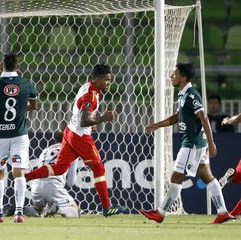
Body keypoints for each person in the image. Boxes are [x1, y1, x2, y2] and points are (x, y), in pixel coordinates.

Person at [25, 64, 126, 217]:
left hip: (70, 132)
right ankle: (107, 208)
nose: (109, 83)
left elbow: (82, 114)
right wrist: (102, 118)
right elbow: (84, 121)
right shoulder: (90, 96)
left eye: (110, 80)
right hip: (80, 136)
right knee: (99, 169)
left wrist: (93, 118)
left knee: (59, 168)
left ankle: (23, 177)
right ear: (97, 79)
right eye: (106, 80)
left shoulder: (88, 88)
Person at [140, 63, 234, 224]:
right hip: (196, 142)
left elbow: (204, 117)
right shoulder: (183, 94)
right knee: (206, 176)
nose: (172, 76)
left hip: (192, 143)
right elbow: (178, 117)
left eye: (175, 73)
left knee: (176, 175)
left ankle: (160, 213)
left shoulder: (191, 94)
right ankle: (223, 212)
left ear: (183, 77)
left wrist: (212, 143)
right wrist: (156, 125)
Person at [0, 52, 37, 223]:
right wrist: (20, 108)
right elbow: (34, 105)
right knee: (19, 172)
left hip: (0, 136)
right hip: (19, 135)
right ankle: (19, 212)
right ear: (18, 66)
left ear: (0, 65)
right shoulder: (26, 83)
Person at [30, 132, 80, 218]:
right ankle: (57, 209)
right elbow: (70, 182)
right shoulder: (71, 150)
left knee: (38, 210)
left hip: (36, 186)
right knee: (75, 211)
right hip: (54, 186)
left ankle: (20, 209)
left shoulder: (45, 150)